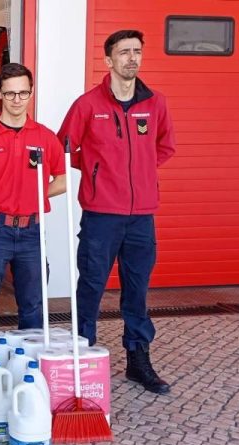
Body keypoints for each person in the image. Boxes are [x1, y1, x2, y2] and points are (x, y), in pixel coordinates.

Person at [57, 29, 176, 394]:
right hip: (101, 216)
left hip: (142, 216)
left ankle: (138, 361)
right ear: (108, 60)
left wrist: (140, 172)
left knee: (137, 290)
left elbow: (165, 146)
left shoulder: (155, 103)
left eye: (137, 51)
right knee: (91, 286)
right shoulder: (87, 105)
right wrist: (98, 171)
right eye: (124, 52)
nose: (132, 58)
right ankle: (81, 356)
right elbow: (65, 148)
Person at [0, 63, 66, 330]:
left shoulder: (45, 137)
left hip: (32, 231)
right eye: (10, 93)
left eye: (23, 93)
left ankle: (31, 354)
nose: (17, 100)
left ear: (31, 92)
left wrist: (31, 195)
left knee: (33, 302)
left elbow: (62, 182)